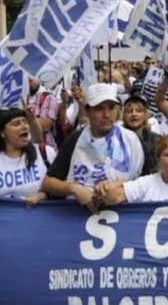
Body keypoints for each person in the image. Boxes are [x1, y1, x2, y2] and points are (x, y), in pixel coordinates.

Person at [41, 83, 145, 212]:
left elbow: (151, 181)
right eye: (99, 109)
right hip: (79, 217)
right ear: (87, 111)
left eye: (111, 108)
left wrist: (122, 187)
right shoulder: (76, 139)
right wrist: (74, 189)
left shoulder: (132, 140)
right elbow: (48, 183)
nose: (106, 115)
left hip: (123, 217)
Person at [94, 134, 168, 206]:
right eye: (167, 155)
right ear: (158, 159)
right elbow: (115, 197)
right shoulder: (146, 183)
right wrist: (104, 190)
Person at [0, 107, 55, 205]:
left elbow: (63, 186)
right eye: (16, 124)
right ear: (2, 133)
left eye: (25, 122)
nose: (24, 126)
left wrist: (44, 195)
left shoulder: (44, 152)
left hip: (39, 214)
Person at [122, 95, 160, 174]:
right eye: (129, 111)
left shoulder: (157, 140)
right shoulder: (117, 139)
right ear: (124, 116)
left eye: (138, 111)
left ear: (146, 115)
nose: (134, 114)